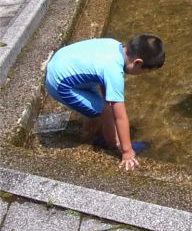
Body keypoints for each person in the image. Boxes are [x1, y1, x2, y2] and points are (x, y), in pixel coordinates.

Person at [45, 34, 165, 171]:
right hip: (60, 84)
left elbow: (103, 82)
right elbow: (120, 116)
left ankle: (101, 135)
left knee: (105, 107)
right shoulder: (114, 72)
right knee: (104, 111)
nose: (142, 75)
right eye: (145, 72)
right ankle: (100, 141)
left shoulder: (114, 44)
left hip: (61, 64)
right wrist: (127, 151)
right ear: (138, 63)